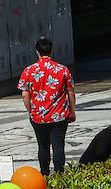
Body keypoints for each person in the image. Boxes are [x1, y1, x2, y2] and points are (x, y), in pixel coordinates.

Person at [17, 38, 74, 176]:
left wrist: (31, 110)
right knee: (58, 146)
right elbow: (70, 91)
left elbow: (25, 94)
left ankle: (44, 175)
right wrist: (72, 111)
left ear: (37, 52)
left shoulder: (29, 71)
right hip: (59, 116)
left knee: (43, 147)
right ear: (51, 51)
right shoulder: (62, 70)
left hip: (38, 117)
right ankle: (60, 175)